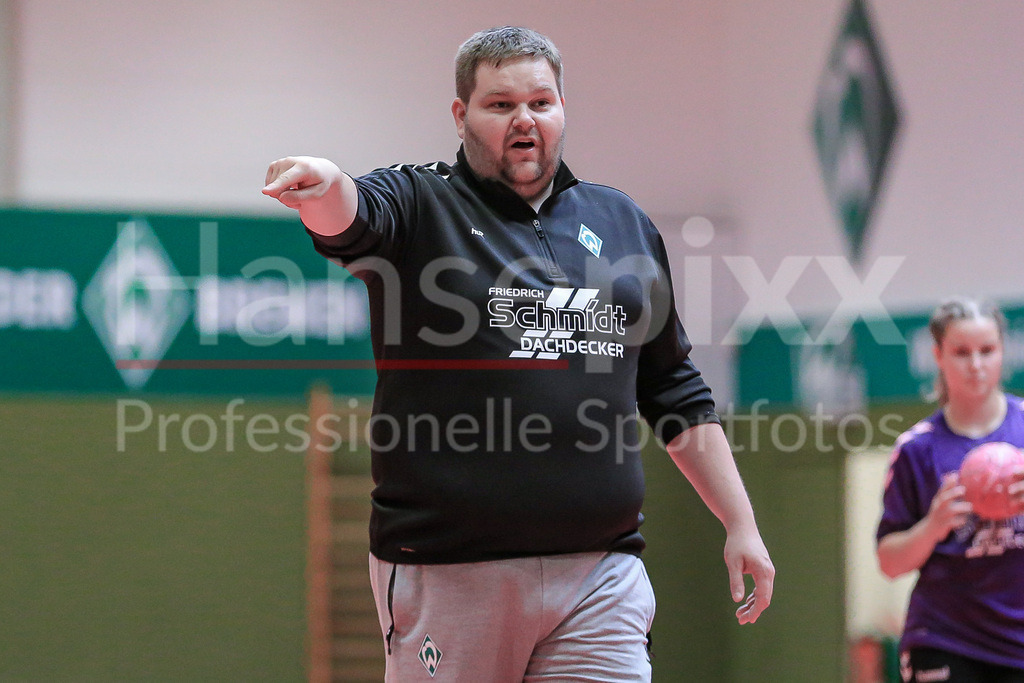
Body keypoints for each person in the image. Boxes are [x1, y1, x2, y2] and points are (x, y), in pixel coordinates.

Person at [264, 26, 773, 682]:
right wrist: (325, 186)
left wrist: (741, 522)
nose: (523, 119)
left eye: (541, 101)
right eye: (500, 104)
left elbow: (673, 387)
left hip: (600, 572)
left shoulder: (622, 223)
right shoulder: (423, 203)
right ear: (462, 115)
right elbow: (354, 217)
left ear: (563, 108)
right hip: (450, 571)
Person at [877, 297, 1024, 682]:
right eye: (961, 352)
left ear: (1002, 353)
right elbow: (889, 562)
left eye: (987, 351)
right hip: (945, 637)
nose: (976, 365)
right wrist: (933, 526)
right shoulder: (917, 449)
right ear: (938, 355)